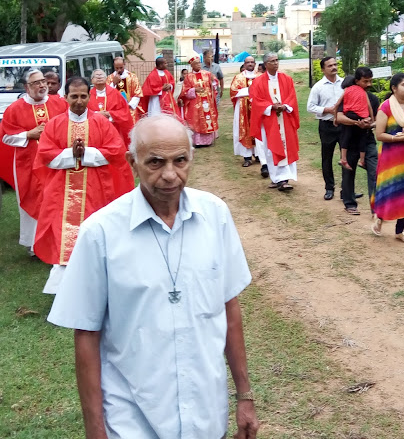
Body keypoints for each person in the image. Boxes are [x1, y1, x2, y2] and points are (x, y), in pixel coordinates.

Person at [47, 114, 259, 439]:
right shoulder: (100, 233)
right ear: (133, 162)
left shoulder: (215, 216)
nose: (170, 175)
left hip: (206, 413)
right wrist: (95, 429)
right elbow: (86, 334)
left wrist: (244, 395)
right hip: (132, 419)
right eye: (156, 162)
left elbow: (229, 308)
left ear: (191, 158)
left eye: (180, 160)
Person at [33, 76, 135, 293]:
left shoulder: (101, 122)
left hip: (95, 189)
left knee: (95, 229)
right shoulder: (54, 124)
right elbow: (45, 155)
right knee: (63, 233)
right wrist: (71, 154)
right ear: (65, 97)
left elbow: (115, 151)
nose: (79, 101)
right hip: (62, 190)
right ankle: (62, 287)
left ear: (89, 97)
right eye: (74, 96)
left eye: (83, 96)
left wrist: (85, 153)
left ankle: (95, 281)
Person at [0, 69, 66, 254]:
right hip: (27, 164)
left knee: (56, 200)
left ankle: (57, 240)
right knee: (33, 199)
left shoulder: (59, 103)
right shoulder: (15, 109)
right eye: (36, 83)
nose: (42, 85)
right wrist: (28, 134)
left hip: (56, 163)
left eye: (43, 81)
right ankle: (34, 244)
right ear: (27, 87)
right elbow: (5, 137)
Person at [372, 72, 404, 243]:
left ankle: (399, 231)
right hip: (390, 158)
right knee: (388, 189)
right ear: (394, 88)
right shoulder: (386, 107)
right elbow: (379, 135)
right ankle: (380, 218)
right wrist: (400, 138)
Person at [249, 52, 300, 191]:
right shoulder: (258, 82)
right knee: (272, 148)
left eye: (277, 60)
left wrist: (285, 106)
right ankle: (277, 178)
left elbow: (292, 97)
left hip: (285, 118)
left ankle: (283, 179)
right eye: (272, 61)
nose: (276, 63)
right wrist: (271, 106)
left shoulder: (286, 79)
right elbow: (256, 101)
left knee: (286, 146)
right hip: (269, 120)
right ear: (266, 64)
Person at [336, 68, 379, 216]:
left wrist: (369, 124)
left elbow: (376, 120)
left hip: (367, 140)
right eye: (365, 81)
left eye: (370, 81)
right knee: (348, 172)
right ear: (357, 81)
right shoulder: (348, 95)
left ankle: (376, 208)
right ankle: (349, 203)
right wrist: (356, 123)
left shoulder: (373, 99)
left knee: (374, 172)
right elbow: (339, 117)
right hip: (349, 141)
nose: (369, 84)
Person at [306, 56, 344, 200]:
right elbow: (310, 107)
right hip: (327, 125)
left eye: (335, 64)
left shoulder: (344, 84)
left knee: (347, 157)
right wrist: (327, 110)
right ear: (323, 69)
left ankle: (347, 190)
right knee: (327, 157)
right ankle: (329, 188)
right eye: (330, 66)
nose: (334, 67)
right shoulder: (318, 87)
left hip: (344, 125)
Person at [179, 56, 219, 146]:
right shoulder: (188, 77)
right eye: (196, 63)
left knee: (207, 118)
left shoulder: (207, 74)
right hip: (195, 102)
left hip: (207, 102)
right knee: (196, 120)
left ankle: (208, 141)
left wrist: (213, 82)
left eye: (199, 63)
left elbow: (215, 85)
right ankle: (198, 141)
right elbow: (185, 91)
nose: (198, 65)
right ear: (192, 66)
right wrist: (194, 90)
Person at [88, 69, 134, 147]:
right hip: (95, 130)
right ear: (92, 81)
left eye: (101, 75)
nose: (99, 76)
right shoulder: (88, 96)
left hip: (113, 129)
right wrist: (97, 114)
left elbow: (124, 111)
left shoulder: (115, 93)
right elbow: (84, 112)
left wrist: (110, 114)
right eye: (96, 75)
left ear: (106, 79)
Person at [338, 74, 374, 171]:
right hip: (361, 117)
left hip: (349, 115)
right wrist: (371, 120)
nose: (369, 84)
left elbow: (337, 104)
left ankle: (343, 158)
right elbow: (369, 107)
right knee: (362, 137)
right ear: (357, 82)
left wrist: (335, 115)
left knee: (346, 137)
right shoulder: (362, 92)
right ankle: (362, 161)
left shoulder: (347, 91)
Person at [230, 56, 259, 167]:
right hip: (243, 108)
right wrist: (249, 91)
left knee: (258, 130)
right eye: (248, 62)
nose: (250, 64)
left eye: (252, 62)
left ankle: (258, 154)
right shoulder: (238, 78)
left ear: (255, 64)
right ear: (244, 64)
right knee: (244, 130)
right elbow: (233, 91)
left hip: (258, 108)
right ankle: (247, 157)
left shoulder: (260, 76)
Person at [106, 57, 143, 123]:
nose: (119, 70)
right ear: (114, 66)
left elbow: (137, 93)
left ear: (124, 64)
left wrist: (130, 105)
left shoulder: (132, 77)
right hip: (116, 111)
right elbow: (106, 94)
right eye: (117, 68)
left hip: (130, 109)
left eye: (121, 67)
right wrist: (113, 83)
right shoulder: (110, 78)